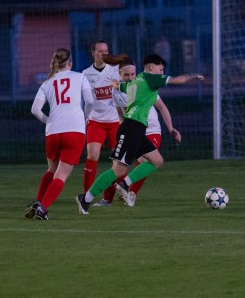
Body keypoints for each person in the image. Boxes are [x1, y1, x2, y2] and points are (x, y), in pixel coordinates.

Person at [76, 54, 203, 215]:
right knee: (118, 170)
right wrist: (194, 75)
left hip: (137, 129)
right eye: (160, 69)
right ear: (151, 68)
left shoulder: (137, 81)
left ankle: (124, 184)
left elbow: (120, 87)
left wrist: (115, 84)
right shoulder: (150, 78)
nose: (162, 72)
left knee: (157, 160)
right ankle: (85, 199)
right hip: (131, 128)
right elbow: (180, 80)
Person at [93, 54, 181, 207]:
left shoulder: (145, 84)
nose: (130, 77)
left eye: (132, 74)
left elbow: (162, 107)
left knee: (144, 162)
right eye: (126, 75)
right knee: (118, 167)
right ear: (120, 75)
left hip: (151, 130)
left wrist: (171, 127)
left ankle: (130, 193)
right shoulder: (117, 92)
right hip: (132, 129)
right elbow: (121, 117)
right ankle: (107, 199)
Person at [25, 48, 94, 220]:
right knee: (61, 175)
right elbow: (90, 101)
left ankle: (38, 202)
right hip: (74, 130)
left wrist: (48, 120)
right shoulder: (80, 77)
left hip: (53, 131)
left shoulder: (47, 82)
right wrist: (84, 117)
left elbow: (35, 110)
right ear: (70, 62)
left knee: (52, 169)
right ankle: (43, 208)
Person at [81, 40, 121, 194]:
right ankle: (86, 195)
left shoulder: (116, 70)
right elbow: (87, 101)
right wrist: (84, 120)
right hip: (95, 121)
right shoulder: (86, 74)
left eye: (106, 50)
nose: (104, 53)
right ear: (93, 53)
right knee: (92, 155)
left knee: (117, 160)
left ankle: (110, 196)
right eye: (100, 51)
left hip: (115, 122)